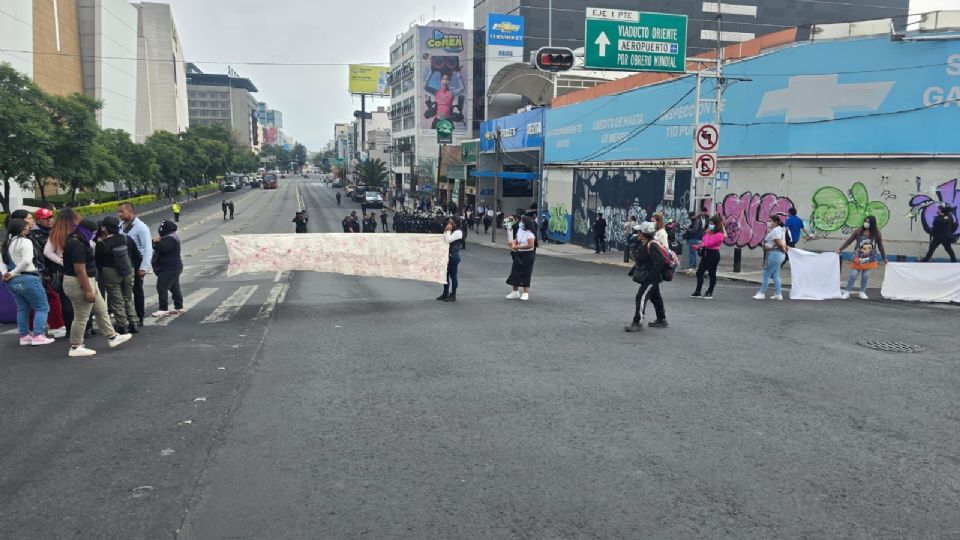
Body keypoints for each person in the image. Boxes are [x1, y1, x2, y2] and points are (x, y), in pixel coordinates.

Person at [61, 219, 132, 357]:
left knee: (101, 309)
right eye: (93, 233)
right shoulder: (77, 245)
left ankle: (112, 336)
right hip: (80, 282)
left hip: (87, 280)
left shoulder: (75, 239)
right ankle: (76, 346)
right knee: (82, 315)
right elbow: (80, 270)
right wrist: (88, 290)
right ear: (86, 231)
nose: (94, 235)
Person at [2, 218, 54, 346]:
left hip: (12, 281)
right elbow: (26, 261)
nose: (29, 227)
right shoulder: (25, 241)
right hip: (29, 277)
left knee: (23, 308)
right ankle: (38, 335)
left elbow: (2, 262)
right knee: (42, 307)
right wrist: (13, 273)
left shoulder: (6, 243)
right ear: (22, 228)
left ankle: (24, 335)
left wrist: (7, 274)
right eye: (26, 225)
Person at [96, 217, 138, 334]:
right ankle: (133, 322)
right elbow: (136, 255)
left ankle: (122, 325)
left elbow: (98, 262)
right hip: (127, 270)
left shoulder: (101, 244)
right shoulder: (127, 238)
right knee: (128, 297)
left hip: (110, 272)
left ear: (104, 228)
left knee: (116, 299)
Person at [29, 208, 67, 337]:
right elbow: (39, 255)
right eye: (46, 218)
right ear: (38, 220)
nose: (50, 220)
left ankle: (56, 324)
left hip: (56, 268)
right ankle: (55, 326)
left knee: (57, 298)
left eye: (51, 217)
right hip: (44, 271)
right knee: (52, 298)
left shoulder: (55, 231)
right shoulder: (33, 235)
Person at [625, 222, 667, 332]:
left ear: (643, 233)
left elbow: (659, 261)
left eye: (639, 231)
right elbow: (638, 257)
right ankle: (661, 319)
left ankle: (637, 322)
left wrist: (650, 277)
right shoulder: (646, 243)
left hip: (651, 278)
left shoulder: (651, 244)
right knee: (655, 297)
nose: (637, 233)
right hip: (653, 277)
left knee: (641, 297)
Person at [118, 203, 152, 326]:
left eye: (122, 211)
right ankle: (127, 316)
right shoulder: (120, 226)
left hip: (136, 261)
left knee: (137, 290)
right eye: (118, 212)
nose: (119, 214)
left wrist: (143, 267)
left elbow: (148, 248)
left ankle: (140, 315)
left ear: (130, 211)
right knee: (123, 291)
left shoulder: (141, 227)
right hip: (122, 261)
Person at [837, 215, 886, 300]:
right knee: (853, 274)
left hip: (870, 258)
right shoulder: (858, 231)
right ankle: (847, 292)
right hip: (858, 257)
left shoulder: (877, 233)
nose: (866, 223)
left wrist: (884, 257)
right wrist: (840, 249)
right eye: (865, 221)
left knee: (866, 276)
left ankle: (862, 292)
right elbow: (849, 241)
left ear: (872, 223)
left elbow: (880, 246)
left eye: (868, 222)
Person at [151, 220, 184, 317]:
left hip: (169, 268)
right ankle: (178, 306)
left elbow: (163, 249)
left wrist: (156, 242)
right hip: (173, 267)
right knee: (174, 287)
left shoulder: (170, 238)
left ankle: (163, 308)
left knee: (162, 287)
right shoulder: (170, 237)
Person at [754, 215, 789, 300]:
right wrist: (783, 249)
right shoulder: (780, 229)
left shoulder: (775, 231)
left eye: (770, 221)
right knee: (776, 274)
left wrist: (779, 248)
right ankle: (778, 294)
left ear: (776, 222)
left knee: (766, 274)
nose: (768, 223)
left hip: (774, 254)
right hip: (778, 255)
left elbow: (779, 243)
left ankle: (762, 293)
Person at [690, 215, 725, 299]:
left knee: (712, 273)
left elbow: (708, 243)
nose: (710, 225)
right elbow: (704, 241)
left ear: (716, 224)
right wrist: (698, 246)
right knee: (699, 272)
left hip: (713, 254)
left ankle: (710, 291)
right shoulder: (710, 233)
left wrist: (707, 235)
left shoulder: (719, 234)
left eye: (712, 224)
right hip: (706, 253)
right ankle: (698, 291)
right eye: (709, 224)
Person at [505, 216, 537, 301]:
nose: (520, 223)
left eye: (522, 222)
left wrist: (518, 247)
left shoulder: (530, 233)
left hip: (528, 255)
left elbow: (530, 245)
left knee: (526, 273)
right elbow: (516, 239)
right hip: (518, 254)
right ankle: (515, 292)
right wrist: (512, 242)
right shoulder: (520, 230)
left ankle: (525, 293)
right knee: (515, 272)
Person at [437, 217, 464, 302]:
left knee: (453, 276)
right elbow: (444, 239)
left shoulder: (458, 232)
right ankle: (445, 293)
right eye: (449, 222)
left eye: (451, 222)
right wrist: (446, 231)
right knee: (445, 276)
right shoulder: (451, 230)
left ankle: (453, 294)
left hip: (453, 256)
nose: (449, 224)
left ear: (456, 223)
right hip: (446, 256)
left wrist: (448, 231)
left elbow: (448, 240)